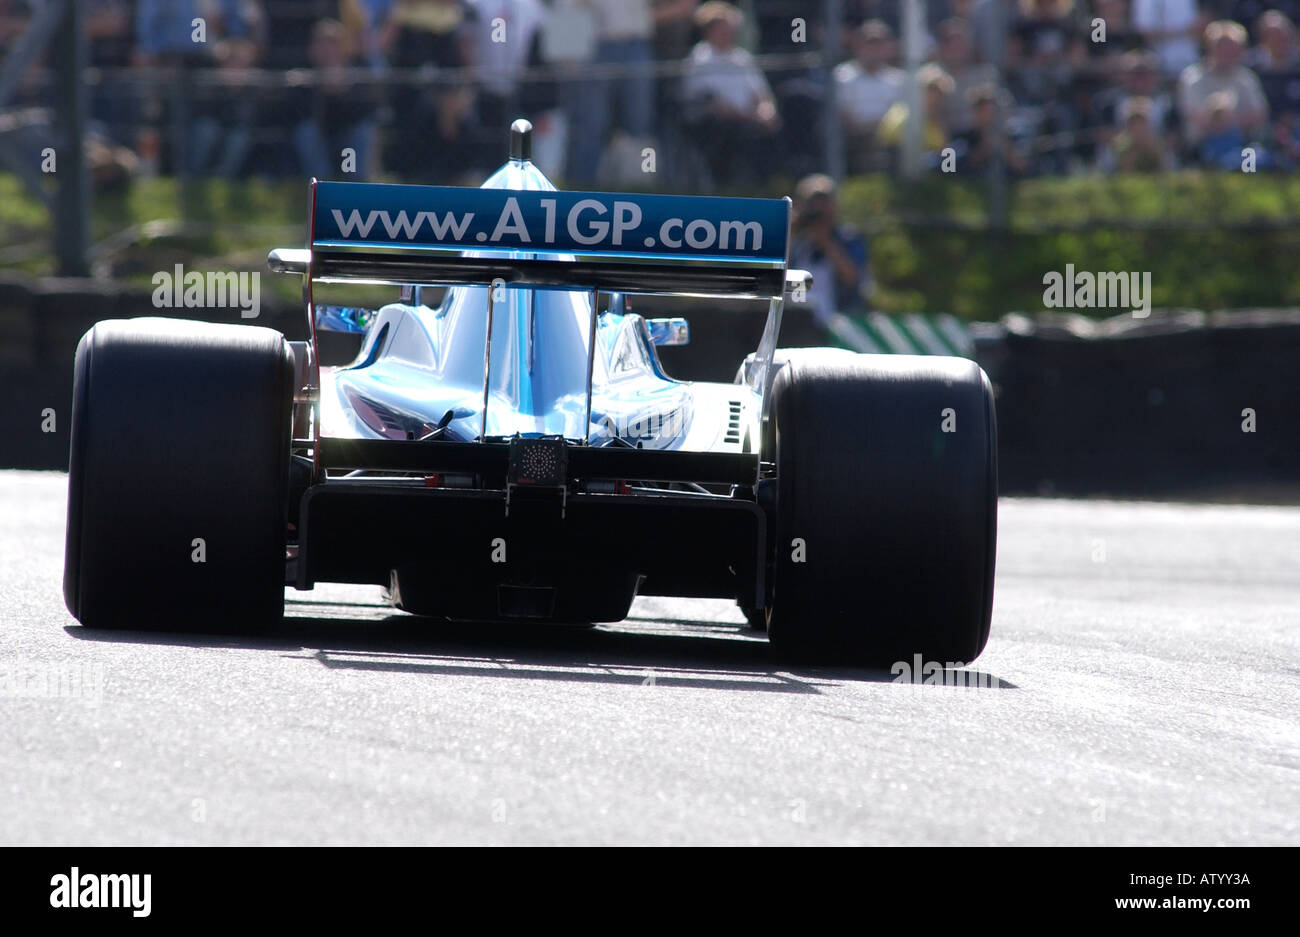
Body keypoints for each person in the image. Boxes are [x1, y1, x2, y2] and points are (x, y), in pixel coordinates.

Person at [680, 1, 780, 187]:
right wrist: (751, 117)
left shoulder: (742, 58)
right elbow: (713, 104)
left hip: (749, 119)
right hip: (716, 124)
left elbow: (762, 94)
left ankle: (766, 188)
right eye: (724, 30)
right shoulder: (699, 58)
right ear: (709, 31)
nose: (730, 34)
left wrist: (767, 112)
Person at [788, 175, 871, 336]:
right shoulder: (798, 242)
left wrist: (826, 243)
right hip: (798, 321)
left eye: (824, 202)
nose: (818, 209)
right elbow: (780, 274)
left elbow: (853, 278)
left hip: (838, 324)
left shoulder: (848, 239)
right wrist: (789, 232)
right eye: (812, 202)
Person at [1178, 20, 1270, 146]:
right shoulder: (1193, 76)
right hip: (1202, 145)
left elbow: (1259, 114)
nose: (1227, 52)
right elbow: (1195, 116)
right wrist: (1224, 121)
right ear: (1208, 47)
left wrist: (1230, 121)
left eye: (1232, 48)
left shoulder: (1246, 77)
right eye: (1221, 47)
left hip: (1243, 143)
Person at [835, 20, 906, 172]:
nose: (874, 50)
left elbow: (901, 113)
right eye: (870, 44)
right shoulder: (842, 76)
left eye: (879, 44)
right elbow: (842, 113)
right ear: (857, 46)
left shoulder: (898, 79)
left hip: (889, 139)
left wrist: (882, 130)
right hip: (852, 137)